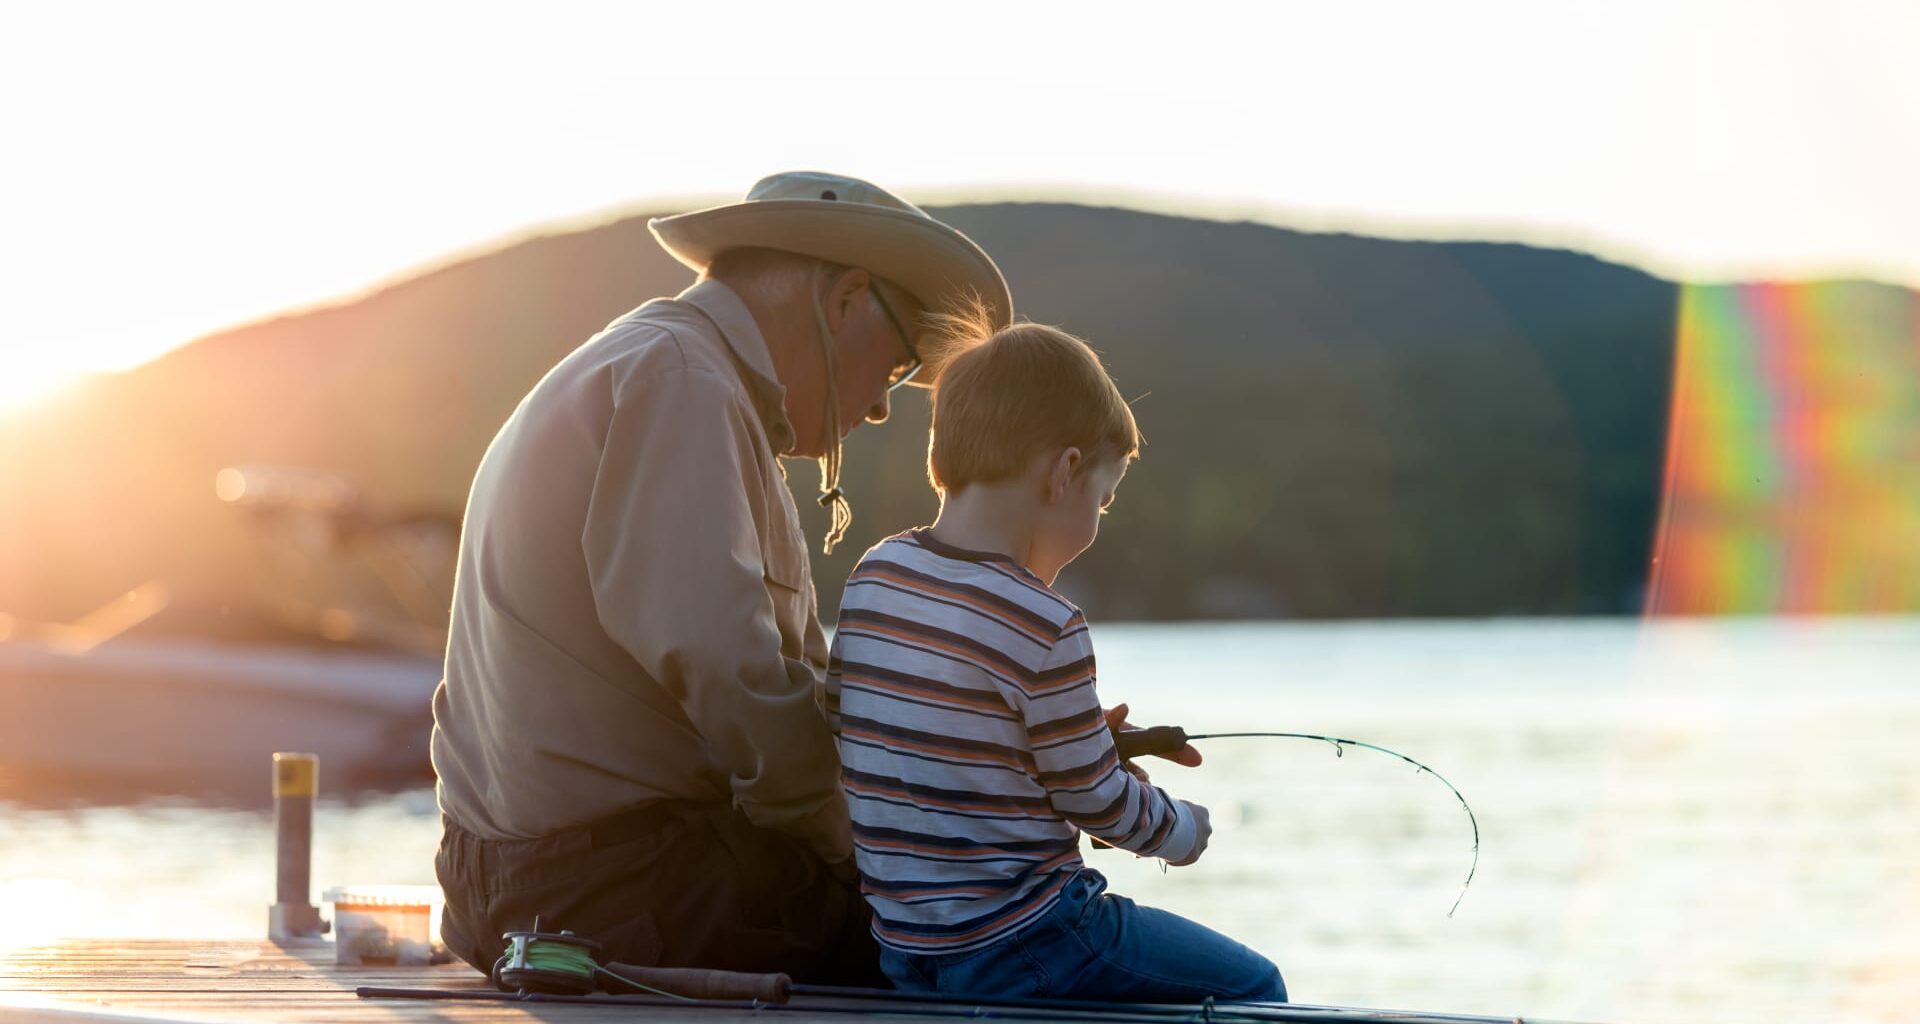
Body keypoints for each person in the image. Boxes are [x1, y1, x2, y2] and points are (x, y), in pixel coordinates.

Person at [429, 171, 1012, 984]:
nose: (884, 407)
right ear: (846, 299)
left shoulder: (669, 369)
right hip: (612, 885)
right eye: (903, 360)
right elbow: (728, 671)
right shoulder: (684, 384)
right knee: (990, 936)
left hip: (520, 878)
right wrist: (859, 845)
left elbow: (781, 687)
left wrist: (1004, 737)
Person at [824, 313, 1288, 1002]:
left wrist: (1047, 737)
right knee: (1254, 987)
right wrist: (1182, 829)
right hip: (1032, 940)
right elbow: (1094, 799)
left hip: (908, 949)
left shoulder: (876, 575)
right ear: (1065, 473)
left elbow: (861, 728)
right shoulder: (1046, 623)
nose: (1097, 520)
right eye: (1104, 498)